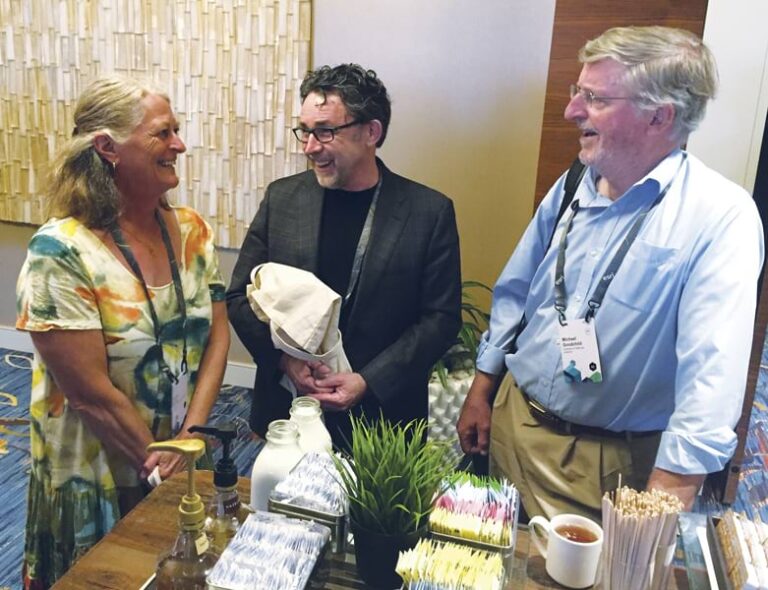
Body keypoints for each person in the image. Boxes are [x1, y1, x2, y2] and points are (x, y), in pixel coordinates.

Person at [457, 26, 764, 521]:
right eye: (578, 92)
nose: (571, 111)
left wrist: (662, 503)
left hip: (605, 465)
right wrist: (482, 388)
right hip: (514, 424)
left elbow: (712, 379)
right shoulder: (575, 181)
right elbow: (518, 289)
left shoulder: (720, 217)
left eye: (594, 98)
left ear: (659, 116)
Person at [15, 75, 230, 588]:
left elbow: (218, 336)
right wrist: (158, 464)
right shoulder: (60, 252)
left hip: (178, 449)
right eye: (162, 134)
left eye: (177, 131)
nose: (179, 145)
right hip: (95, 468)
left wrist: (189, 440)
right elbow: (91, 397)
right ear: (108, 148)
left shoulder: (193, 229)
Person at [226, 63, 462, 448]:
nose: (309, 147)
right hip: (289, 408)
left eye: (325, 131)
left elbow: (440, 319)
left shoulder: (428, 212)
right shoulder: (283, 198)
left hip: (383, 419)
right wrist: (287, 363)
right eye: (304, 131)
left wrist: (368, 380)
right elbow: (238, 297)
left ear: (371, 132)